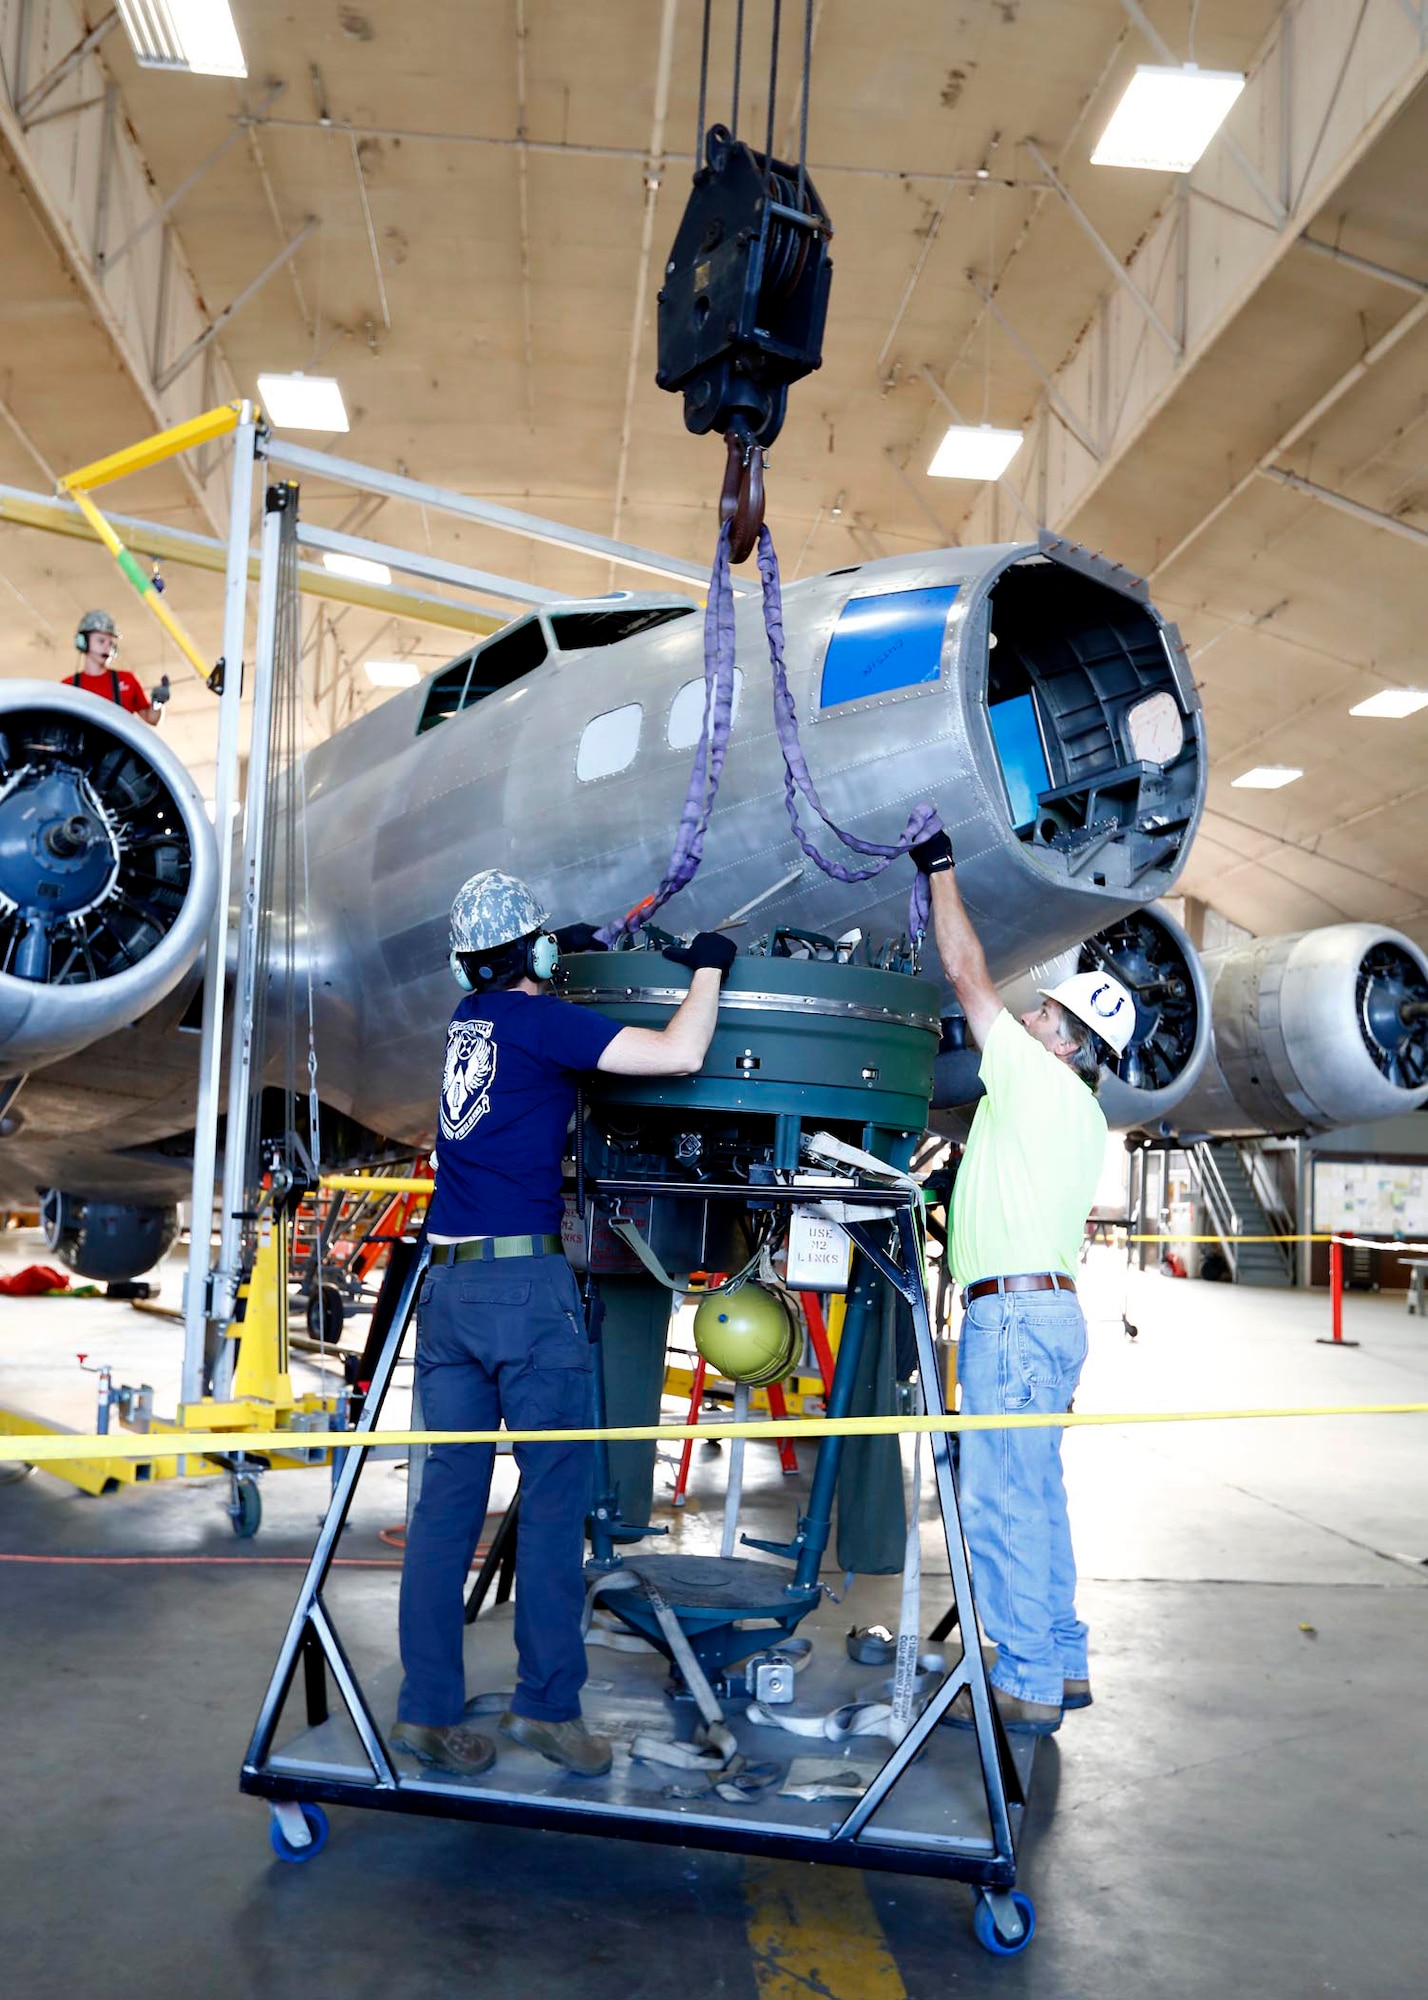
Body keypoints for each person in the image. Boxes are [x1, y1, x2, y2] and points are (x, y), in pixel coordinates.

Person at [393, 870, 736, 1778]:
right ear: (536, 954)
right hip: (523, 1289)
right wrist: (708, 968)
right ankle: (546, 1706)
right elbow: (679, 1055)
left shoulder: (470, 1021)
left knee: (446, 1507)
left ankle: (425, 1711)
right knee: (551, 1501)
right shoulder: (543, 1022)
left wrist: (554, 960)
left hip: (449, 1292)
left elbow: (522, 1022)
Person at [910, 825, 1134, 1736]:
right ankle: (1062, 1658)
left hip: (1014, 1322)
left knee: (1000, 1494)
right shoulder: (1076, 1113)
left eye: (1045, 1016)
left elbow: (966, 976)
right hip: (1047, 1316)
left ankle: (1029, 1680)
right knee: (1035, 1490)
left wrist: (940, 876)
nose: (1029, 1018)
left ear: (1070, 1044)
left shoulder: (1039, 1083)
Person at [66, 611, 168, 725]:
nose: (107, 647)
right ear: (83, 642)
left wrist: (158, 702)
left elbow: (152, 719)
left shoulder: (127, 680)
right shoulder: (67, 686)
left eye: (110, 643)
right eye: (101, 641)